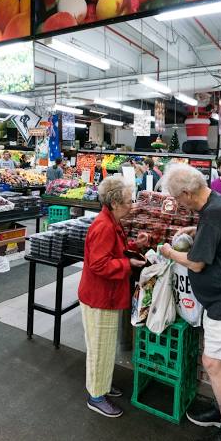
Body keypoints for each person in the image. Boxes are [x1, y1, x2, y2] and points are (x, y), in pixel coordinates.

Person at [159, 165, 221, 441]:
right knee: (219, 364)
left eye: (178, 199)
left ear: (188, 194)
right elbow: (215, 232)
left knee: (213, 363)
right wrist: (198, 228)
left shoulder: (213, 213)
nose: (178, 204)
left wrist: (168, 252)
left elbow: (197, 263)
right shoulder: (217, 203)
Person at [78, 175, 149, 418]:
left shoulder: (112, 221)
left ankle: (103, 385)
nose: (133, 205)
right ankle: (96, 396)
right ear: (116, 202)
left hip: (106, 295)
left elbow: (114, 249)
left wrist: (134, 245)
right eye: (129, 201)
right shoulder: (103, 226)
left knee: (106, 347)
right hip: (99, 297)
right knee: (99, 347)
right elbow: (99, 264)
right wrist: (128, 263)